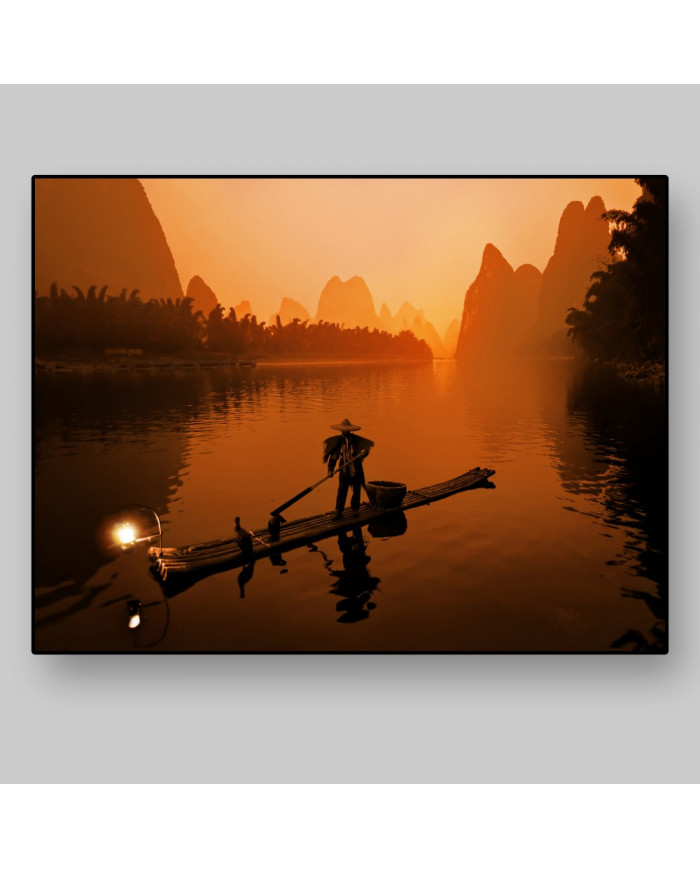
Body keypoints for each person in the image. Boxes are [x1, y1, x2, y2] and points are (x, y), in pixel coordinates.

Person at [322, 418, 374, 517]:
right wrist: (330, 470)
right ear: (341, 431)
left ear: (350, 430)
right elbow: (334, 457)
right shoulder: (338, 441)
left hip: (356, 468)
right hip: (344, 469)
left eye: (347, 430)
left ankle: (355, 509)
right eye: (344, 430)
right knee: (342, 489)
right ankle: (338, 510)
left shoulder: (356, 440)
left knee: (356, 489)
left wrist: (364, 453)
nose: (345, 432)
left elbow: (364, 451)